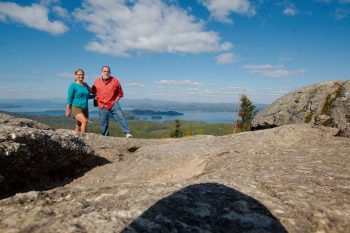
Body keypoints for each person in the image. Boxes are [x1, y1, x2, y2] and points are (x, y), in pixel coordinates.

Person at [92, 66, 133, 138]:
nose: (106, 73)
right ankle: (105, 137)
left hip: (113, 103)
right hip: (102, 104)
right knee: (103, 122)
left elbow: (120, 93)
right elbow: (93, 92)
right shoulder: (96, 82)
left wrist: (116, 100)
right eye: (104, 71)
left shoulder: (115, 81)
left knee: (121, 117)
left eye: (107, 71)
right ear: (101, 72)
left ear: (110, 72)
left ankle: (127, 133)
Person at [66, 68, 94, 133]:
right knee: (84, 121)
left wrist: (96, 96)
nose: (81, 76)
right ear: (75, 75)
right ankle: (83, 140)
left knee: (79, 126)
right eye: (79, 74)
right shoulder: (73, 85)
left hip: (85, 108)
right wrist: (67, 110)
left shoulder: (85, 85)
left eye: (82, 74)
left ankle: (75, 139)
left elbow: (88, 95)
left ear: (84, 75)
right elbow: (69, 98)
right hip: (76, 107)